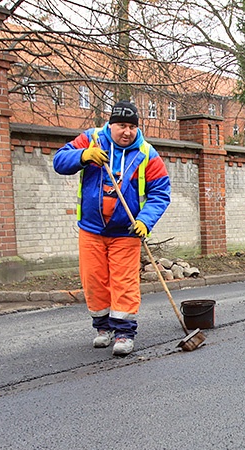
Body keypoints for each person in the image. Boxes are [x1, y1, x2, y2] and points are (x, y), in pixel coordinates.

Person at [53, 100, 171, 356]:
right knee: (94, 280)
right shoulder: (91, 139)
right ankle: (103, 328)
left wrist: (145, 221)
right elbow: (59, 161)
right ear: (111, 124)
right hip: (92, 229)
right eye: (121, 125)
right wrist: (83, 156)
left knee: (124, 281)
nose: (126, 131)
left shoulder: (147, 154)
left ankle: (124, 333)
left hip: (126, 231)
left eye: (131, 126)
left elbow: (160, 194)